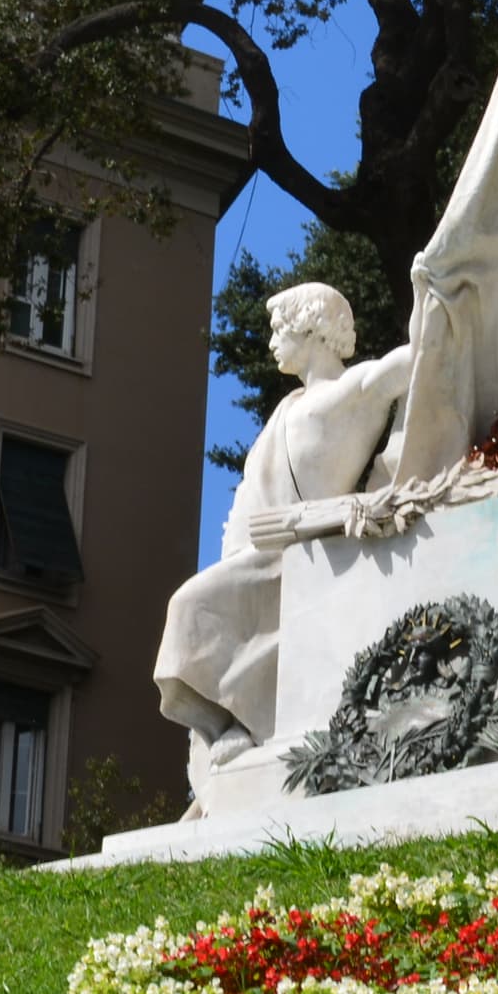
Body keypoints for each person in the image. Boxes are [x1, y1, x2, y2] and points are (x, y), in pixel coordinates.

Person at [150, 282, 411, 778]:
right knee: (192, 611)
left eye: (279, 330)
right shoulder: (288, 405)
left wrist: (436, 297)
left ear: (310, 330)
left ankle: (237, 725)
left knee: (188, 606)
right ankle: (229, 727)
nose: (272, 342)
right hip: (258, 549)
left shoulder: (347, 393)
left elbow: (409, 362)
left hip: (297, 551)